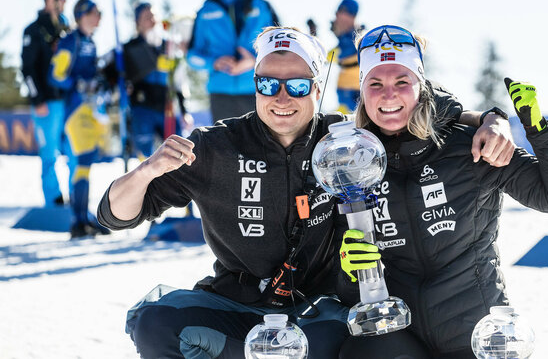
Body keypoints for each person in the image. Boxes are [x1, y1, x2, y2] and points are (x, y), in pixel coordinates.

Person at [97, 26, 517, 359]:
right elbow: (113, 215)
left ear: (317, 89)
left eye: (298, 86)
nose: (283, 97)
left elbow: (417, 110)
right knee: (154, 323)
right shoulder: (214, 146)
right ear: (255, 85)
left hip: (316, 315)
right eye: (269, 84)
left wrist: (492, 118)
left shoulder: (346, 142)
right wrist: (147, 171)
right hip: (236, 306)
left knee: (335, 347)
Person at [337, 25, 548, 358]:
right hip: (400, 334)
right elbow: (345, 281)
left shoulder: (472, 144)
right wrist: (345, 268)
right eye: (375, 84)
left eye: (402, 82)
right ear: (362, 91)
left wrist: (537, 129)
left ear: (421, 85)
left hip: (475, 334)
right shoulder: (351, 162)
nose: (388, 95)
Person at [187, 0, 279, 123]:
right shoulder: (206, 10)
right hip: (220, 92)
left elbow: (281, 47)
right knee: (223, 148)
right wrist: (213, 63)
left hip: (258, 88)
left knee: (260, 146)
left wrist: (254, 61)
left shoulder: (261, 5)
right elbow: (192, 56)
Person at [49, 0, 110, 238]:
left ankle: (84, 217)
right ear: (82, 15)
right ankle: (78, 220)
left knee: (87, 164)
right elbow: (55, 75)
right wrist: (78, 84)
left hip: (92, 110)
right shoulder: (71, 40)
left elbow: (92, 73)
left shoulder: (90, 42)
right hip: (75, 111)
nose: (99, 17)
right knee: (82, 162)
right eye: (95, 12)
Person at [105, 2, 191, 159]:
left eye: (154, 16)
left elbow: (178, 81)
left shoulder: (168, 46)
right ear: (138, 22)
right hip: (142, 107)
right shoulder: (128, 48)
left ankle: (175, 183)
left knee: (178, 151)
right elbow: (109, 73)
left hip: (167, 107)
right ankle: (148, 183)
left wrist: (184, 111)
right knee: (146, 156)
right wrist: (120, 87)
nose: (152, 20)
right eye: (146, 17)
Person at [21, 0, 72, 207]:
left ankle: (77, 200)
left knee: (74, 153)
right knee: (49, 156)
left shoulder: (65, 28)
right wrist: (38, 99)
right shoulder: (32, 31)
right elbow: (27, 69)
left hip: (68, 103)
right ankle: (54, 202)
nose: (65, 3)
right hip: (47, 105)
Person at [330, 0, 362, 114]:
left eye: (341, 11)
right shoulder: (346, 38)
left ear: (352, 17)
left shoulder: (354, 39)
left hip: (353, 96)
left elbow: (344, 53)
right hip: (346, 98)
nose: (336, 16)